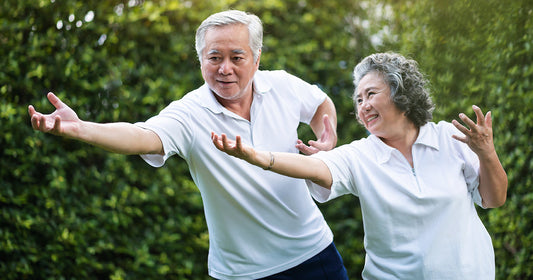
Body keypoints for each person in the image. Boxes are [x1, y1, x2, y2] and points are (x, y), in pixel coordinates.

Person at [28, 10, 349, 280]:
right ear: (200, 59)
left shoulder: (282, 85)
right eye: (214, 57)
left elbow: (321, 104)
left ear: (256, 58)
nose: (225, 68)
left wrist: (327, 133)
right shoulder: (189, 113)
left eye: (237, 57)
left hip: (314, 255)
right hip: (241, 272)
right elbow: (140, 136)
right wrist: (83, 129)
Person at [212, 52, 508, 279]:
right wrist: (260, 157)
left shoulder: (448, 137)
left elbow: (494, 199)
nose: (362, 106)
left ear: (401, 94)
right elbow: (317, 169)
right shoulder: (360, 155)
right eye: (358, 99)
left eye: (371, 94)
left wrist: (486, 153)